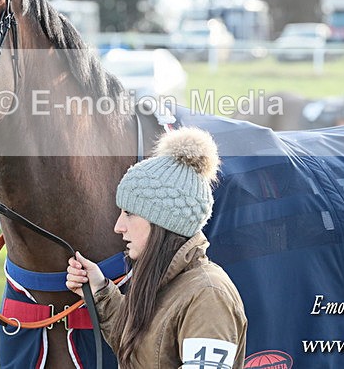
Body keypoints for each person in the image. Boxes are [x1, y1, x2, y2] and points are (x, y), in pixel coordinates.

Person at [66, 127, 247, 369]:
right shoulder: (166, 282)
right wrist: (99, 290)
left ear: (164, 221)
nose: (118, 227)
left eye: (129, 213)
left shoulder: (209, 296)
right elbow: (141, 353)